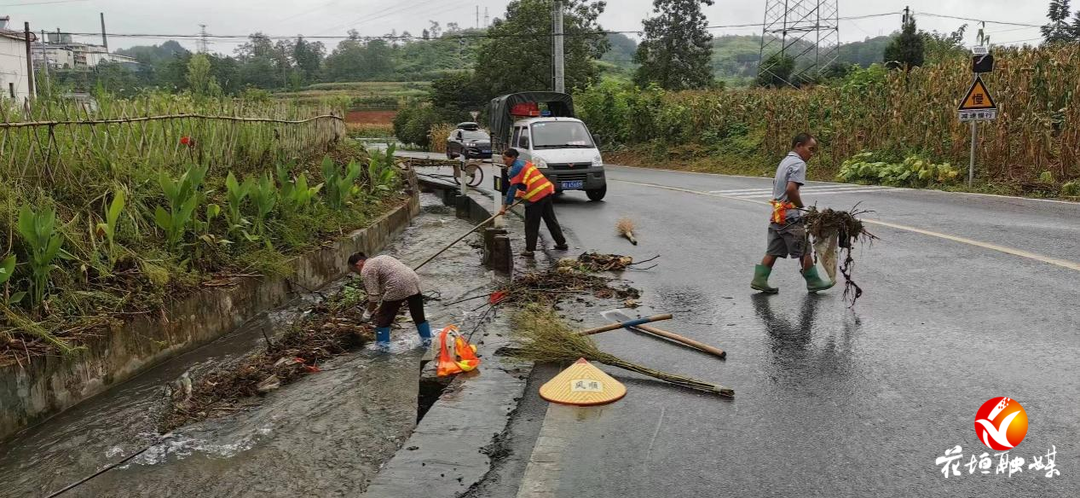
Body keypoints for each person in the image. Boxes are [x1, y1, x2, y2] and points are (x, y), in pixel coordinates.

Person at [751, 133, 835, 294]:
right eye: (810, 149)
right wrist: (801, 207)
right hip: (789, 216)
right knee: (803, 248)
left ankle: (759, 279)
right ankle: (813, 281)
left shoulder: (785, 161)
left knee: (774, 249)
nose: (812, 153)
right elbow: (791, 189)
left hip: (778, 214)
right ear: (799, 146)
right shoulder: (798, 163)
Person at [348, 252, 431, 347]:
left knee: (383, 319)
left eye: (355, 271)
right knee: (419, 317)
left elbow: (374, 297)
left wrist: (367, 314)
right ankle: (427, 341)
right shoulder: (382, 257)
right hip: (414, 280)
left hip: (397, 285)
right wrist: (382, 305)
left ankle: (382, 350)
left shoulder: (366, 269)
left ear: (359, 264)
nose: (357, 273)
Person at [498, 148, 569, 258]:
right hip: (546, 191)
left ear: (512, 157)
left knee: (531, 224)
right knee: (550, 219)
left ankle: (529, 250)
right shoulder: (524, 163)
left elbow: (511, 190)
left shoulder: (515, 169)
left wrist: (504, 207)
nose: (504, 161)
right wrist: (522, 193)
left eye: (505, 159)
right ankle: (561, 243)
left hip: (536, 197)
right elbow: (527, 182)